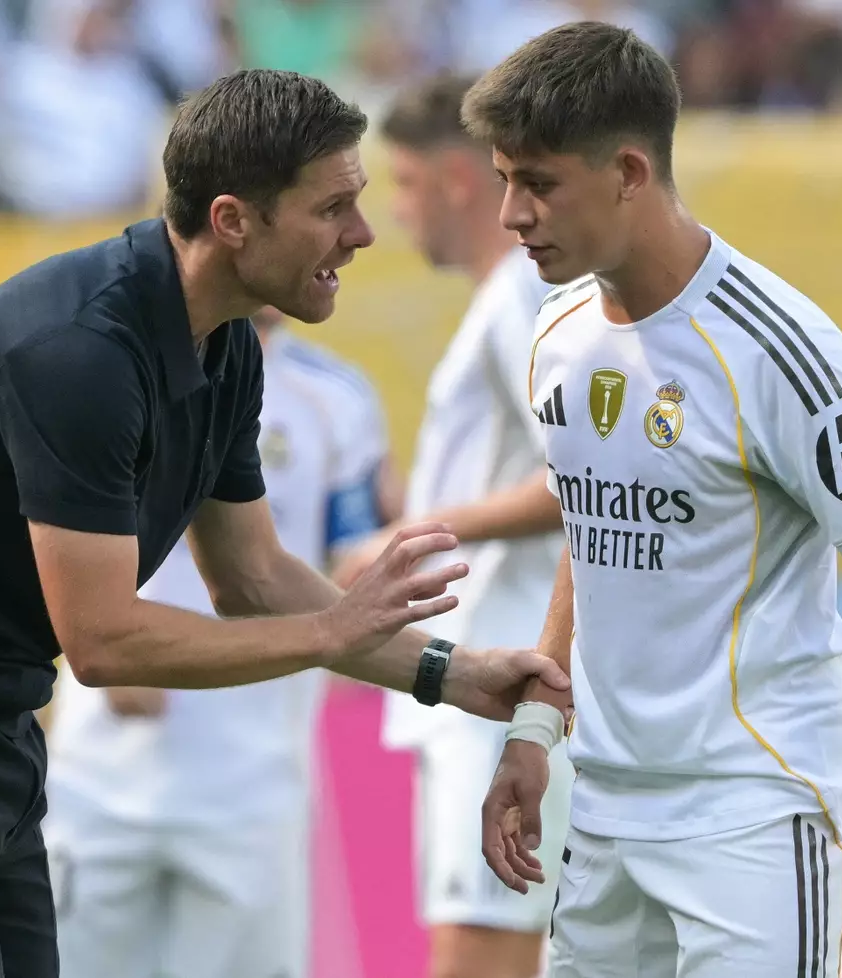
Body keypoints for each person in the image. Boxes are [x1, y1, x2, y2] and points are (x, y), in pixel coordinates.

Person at [0, 69, 568, 978]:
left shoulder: (225, 345)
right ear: (233, 221)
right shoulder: (83, 353)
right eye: (333, 207)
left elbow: (253, 578)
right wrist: (329, 631)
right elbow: (103, 642)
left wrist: (452, 672)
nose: (362, 233)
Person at [465, 24, 842, 976]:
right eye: (503, 180)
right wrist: (536, 726)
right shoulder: (557, 332)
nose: (510, 214)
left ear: (629, 171)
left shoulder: (778, 350)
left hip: (754, 812)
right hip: (605, 811)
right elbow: (592, 524)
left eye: (537, 183)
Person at [43, 304, 402, 978]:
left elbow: (356, 578)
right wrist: (106, 639)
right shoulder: (105, 368)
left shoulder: (336, 399)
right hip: (96, 784)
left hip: (251, 791)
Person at [333, 74, 574, 978]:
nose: (392, 213)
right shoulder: (507, 298)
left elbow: (580, 479)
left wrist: (415, 535)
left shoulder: (519, 296)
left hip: (497, 672)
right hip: (489, 670)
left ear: (458, 180)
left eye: (402, 183)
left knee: (483, 951)